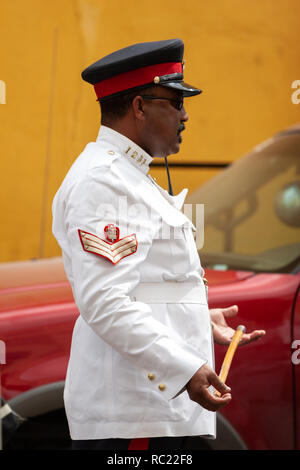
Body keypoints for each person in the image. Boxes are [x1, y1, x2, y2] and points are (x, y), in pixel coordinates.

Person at [52, 39, 265, 450]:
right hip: (133, 421)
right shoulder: (104, 179)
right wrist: (186, 369)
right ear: (139, 106)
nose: (186, 115)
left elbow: (140, 285)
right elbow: (105, 302)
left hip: (153, 412)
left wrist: (197, 317)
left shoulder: (129, 175)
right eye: (176, 102)